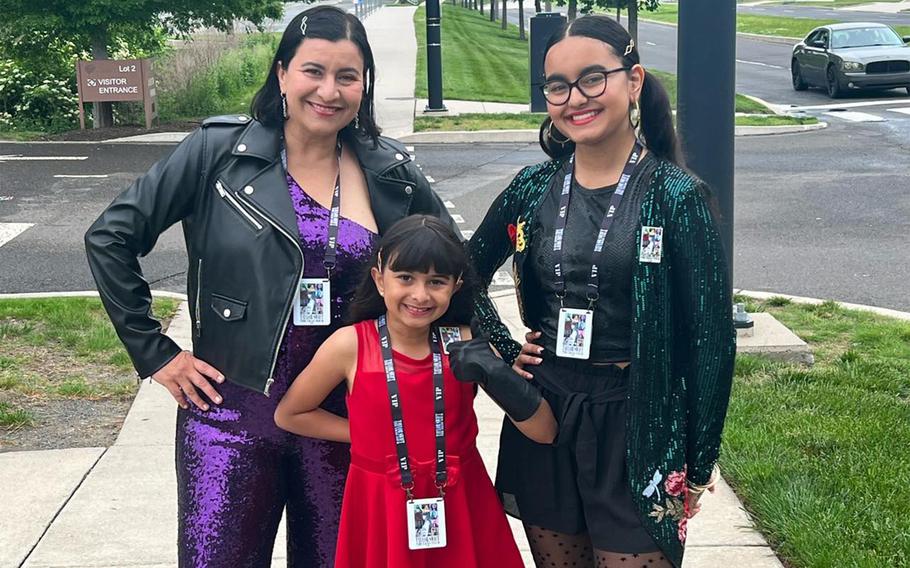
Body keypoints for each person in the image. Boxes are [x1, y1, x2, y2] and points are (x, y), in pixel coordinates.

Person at [83, 7, 456, 567]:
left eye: (347, 76)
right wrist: (156, 354)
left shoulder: (391, 172)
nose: (329, 90)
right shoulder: (218, 152)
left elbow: (455, 270)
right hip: (229, 413)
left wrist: (488, 354)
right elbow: (109, 238)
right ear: (281, 74)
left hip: (345, 422)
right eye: (313, 71)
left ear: (364, 86)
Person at [465, 15, 736, 568]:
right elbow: (464, 272)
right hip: (545, 410)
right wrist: (505, 345)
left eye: (594, 79)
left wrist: (700, 463)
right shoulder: (533, 186)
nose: (575, 99)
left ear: (633, 81)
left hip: (639, 416)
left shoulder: (677, 197)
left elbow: (711, 341)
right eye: (557, 86)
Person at [274, 215, 556, 568]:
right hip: (380, 503)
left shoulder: (467, 343)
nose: (420, 295)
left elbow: (544, 432)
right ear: (379, 279)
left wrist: (498, 373)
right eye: (405, 277)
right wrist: (367, 436)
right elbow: (290, 413)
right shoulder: (350, 345)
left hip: (462, 500)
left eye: (436, 281)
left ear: (455, 286)